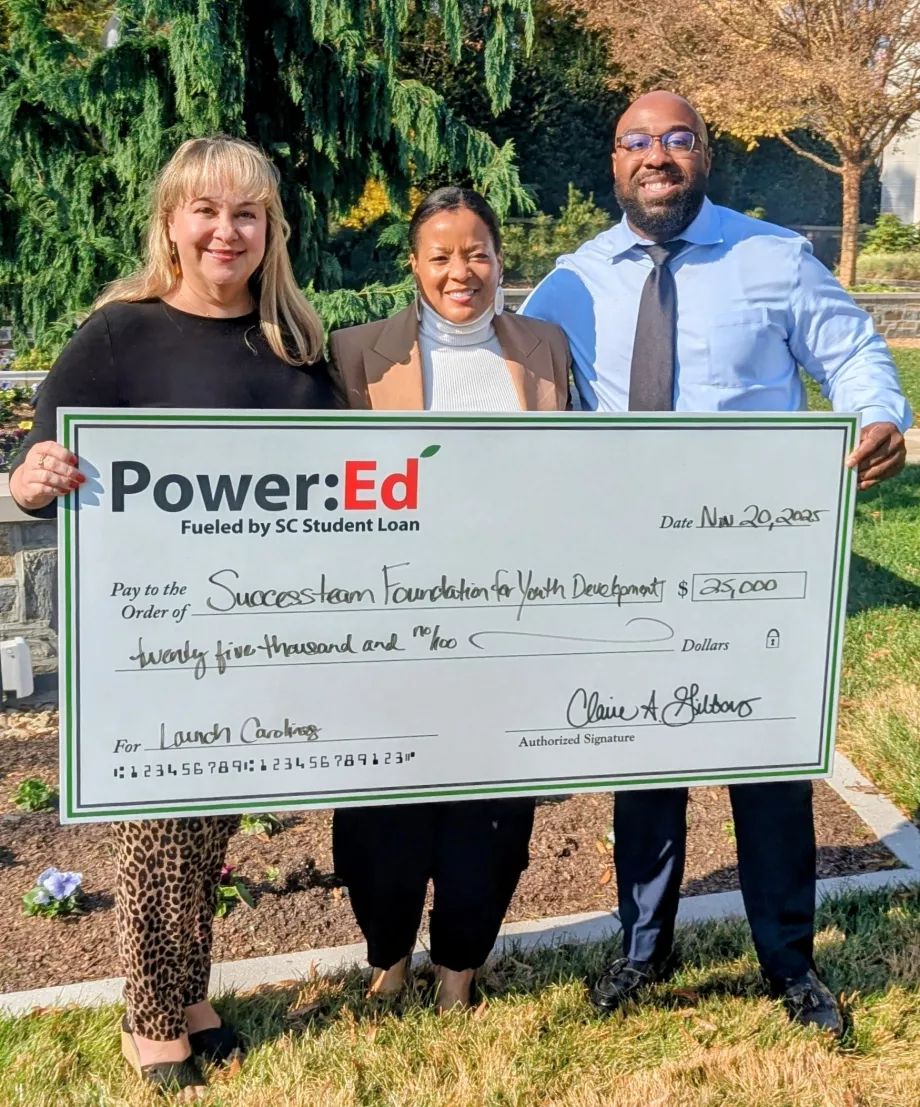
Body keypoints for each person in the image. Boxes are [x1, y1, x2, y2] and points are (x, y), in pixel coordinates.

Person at [520, 91, 910, 1036]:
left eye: (677, 139)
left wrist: (879, 414)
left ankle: (789, 958)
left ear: (705, 155)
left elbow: (853, 352)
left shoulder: (774, 259)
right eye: (637, 141)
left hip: (754, 563)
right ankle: (642, 948)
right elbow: (512, 386)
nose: (657, 155)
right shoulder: (568, 285)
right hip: (627, 567)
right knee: (643, 762)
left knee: (767, 768)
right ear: (615, 162)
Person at [10, 135, 336, 1098]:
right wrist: (32, 481)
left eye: (247, 213)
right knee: (158, 824)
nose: (225, 231)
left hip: (256, 632)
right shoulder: (119, 335)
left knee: (208, 825)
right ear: (172, 223)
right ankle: (150, 1023)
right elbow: (40, 468)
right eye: (206, 210)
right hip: (148, 638)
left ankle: (187, 994)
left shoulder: (296, 346)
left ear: (270, 230)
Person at [329, 186, 570, 1011]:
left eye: (477, 253)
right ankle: (388, 958)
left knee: (491, 808)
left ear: (500, 259)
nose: (460, 271)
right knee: (380, 809)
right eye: (441, 255)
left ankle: (460, 969)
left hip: (510, 621)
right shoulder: (356, 354)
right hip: (388, 622)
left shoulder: (545, 348)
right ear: (415, 265)